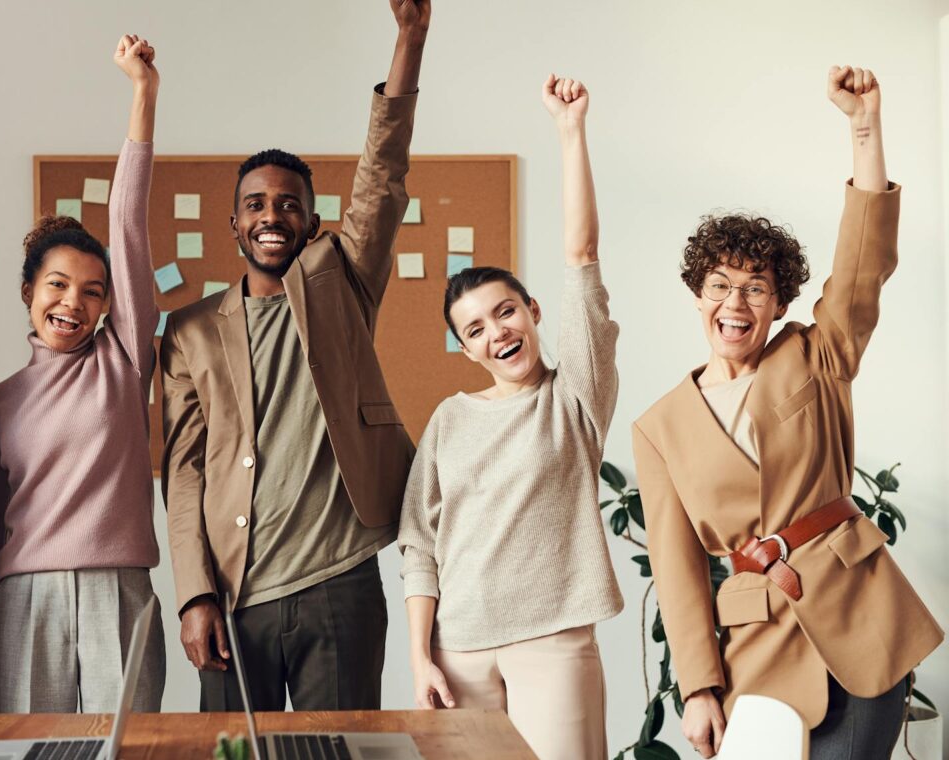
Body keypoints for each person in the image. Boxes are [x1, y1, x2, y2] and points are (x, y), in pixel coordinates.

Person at [632, 66, 943, 759]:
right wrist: (699, 688)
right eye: (719, 285)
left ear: (779, 304)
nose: (735, 304)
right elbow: (677, 569)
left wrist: (864, 129)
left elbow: (863, 268)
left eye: (756, 288)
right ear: (697, 294)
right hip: (758, 647)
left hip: (862, 620)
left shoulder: (815, 355)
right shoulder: (659, 428)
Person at [159, 0, 430, 712]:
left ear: (311, 221)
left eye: (287, 205)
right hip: (232, 591)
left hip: (338, 583)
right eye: (255, 205)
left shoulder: (341, 280)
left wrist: (410, 39)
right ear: (235, 225)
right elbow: (183, 474)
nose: (271, 216)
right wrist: (192, 594)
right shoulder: (189, 330)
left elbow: (383, 175)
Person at [398, 76, 621, 759]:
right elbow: (419, 546)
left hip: (552, 641)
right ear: (465, 349)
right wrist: (420, 657)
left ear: (532, 313)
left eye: (505, 311)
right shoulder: (449, 419)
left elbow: (581, 257)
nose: (495, 331)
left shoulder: (574, 397)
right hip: (457, 649)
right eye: (474, 328)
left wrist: (569, 133)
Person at [0, 34, 166, 714]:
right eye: (57, 285)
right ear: (27, 291)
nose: (73, 303)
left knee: (127, 754)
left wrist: (142, 94)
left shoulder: (125, 363)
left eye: (93, 291)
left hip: (120, 594)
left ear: (110, 304)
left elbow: (127, 224)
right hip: (24, 603)